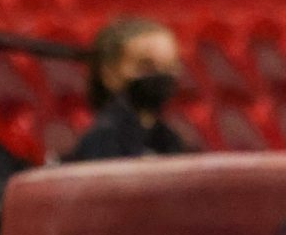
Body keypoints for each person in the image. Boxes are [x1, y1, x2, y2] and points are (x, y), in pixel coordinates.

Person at [64, 16, 191, 162]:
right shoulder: (103, 140)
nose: (161, 75)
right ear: (109, 73)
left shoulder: (169, 139)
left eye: (170, 66)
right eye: (146, 66)